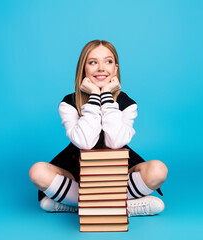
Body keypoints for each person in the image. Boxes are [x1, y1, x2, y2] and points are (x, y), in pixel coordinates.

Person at [29, 40, 168, 217]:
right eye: (93, 62)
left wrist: (107, 98)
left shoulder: (128, 104)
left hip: (118, 173)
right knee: (37, 171)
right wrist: (95, 96)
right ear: (84, 69)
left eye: (108, 61)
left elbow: (116, 142)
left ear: (115, 69)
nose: (101, 68)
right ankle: (125, 207)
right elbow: (85, 142)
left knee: (158, 169)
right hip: (78, 173)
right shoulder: (68, 103)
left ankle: (75, 206)